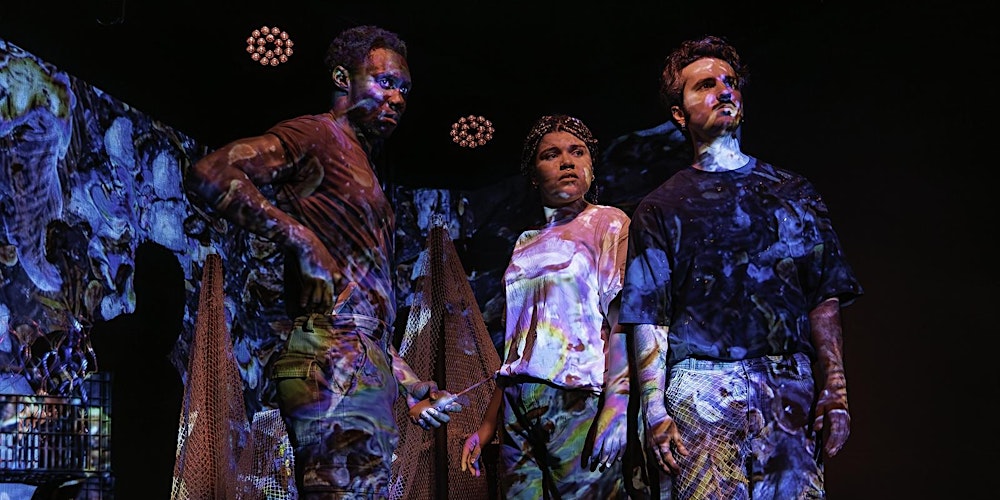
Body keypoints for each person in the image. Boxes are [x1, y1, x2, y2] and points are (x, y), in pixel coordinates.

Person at [186, 25, 459, 499]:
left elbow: (364, 304)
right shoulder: (315, 134)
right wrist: (301, 238)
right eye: (385, 82)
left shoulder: (362, 162)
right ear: (342, 78)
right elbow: (210, 173)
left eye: (405, 89)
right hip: (331, 353)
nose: (398, 98)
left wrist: (409, 382)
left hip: (361, 354)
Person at [618, 35, 864, 499]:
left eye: (729, 81)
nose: (724, 91)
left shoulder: (792, 191)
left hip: (786, 383)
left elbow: (824, 294)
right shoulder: (660, 207)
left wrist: (836, 389)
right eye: (705, 85)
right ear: (679, 114)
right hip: (701, 390)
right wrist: (654, 410)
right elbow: (650, 315)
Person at [460, 114, 632, 499]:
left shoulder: (608, 223)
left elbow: (623, 321)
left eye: (577, 152)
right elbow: (517, 347)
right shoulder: (525, 242)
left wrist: (617, 404)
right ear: (534, 175)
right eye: (551, 155)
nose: (567, 162)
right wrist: (487, 425)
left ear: (591, 165)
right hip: (517, 405)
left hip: (576, 398)